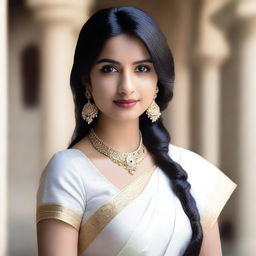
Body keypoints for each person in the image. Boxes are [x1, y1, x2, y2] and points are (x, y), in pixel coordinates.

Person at [36, 6, 236, 256]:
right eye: (109, 69)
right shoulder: (68, 171)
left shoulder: (192, 170)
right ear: (88, 81)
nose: (126, 86)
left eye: (141, 68)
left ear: (156, 82)